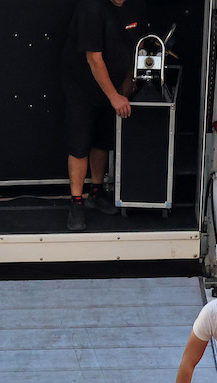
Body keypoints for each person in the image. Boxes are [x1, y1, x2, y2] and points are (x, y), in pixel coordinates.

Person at [60, 0, 148, 231]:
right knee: (80, 142)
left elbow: (136, 46)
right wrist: (114, 97)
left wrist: (129, 80)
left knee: (102, 139)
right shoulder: (91, 7)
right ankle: (76, 203)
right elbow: (93, 58)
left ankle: (95, 194)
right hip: (82, 84)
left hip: (114, 83)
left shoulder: (136, 5)